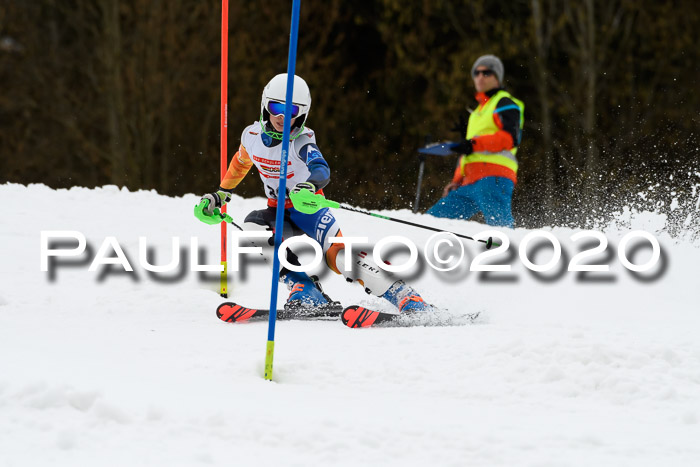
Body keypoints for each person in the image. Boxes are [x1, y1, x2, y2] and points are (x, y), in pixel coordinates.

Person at [196, 73, 429, 313]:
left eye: (292, 111)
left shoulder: (302, 139)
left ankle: (404, 295)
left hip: (309, 210)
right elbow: (241, 161)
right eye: (276, 107)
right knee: (253, 229)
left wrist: (310, 185)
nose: (282, 117)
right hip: (277, 211)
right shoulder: (251, 136)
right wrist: (221, 194)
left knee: (338, 257)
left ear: (302, 113)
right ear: (265, 105)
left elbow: (321, 168)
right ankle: (305, 290)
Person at [427, 54, 524, 228]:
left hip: (494, 178)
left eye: (486, 73)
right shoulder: (478, 111)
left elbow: (509, 138)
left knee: (501, 231)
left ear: (497, 78)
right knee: (430, 223)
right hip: (469, 182)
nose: (480, 77)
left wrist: (472, 144)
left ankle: (515, 253)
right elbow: (469, 152)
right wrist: (457, 180)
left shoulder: (504, 102)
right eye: (476, 73)